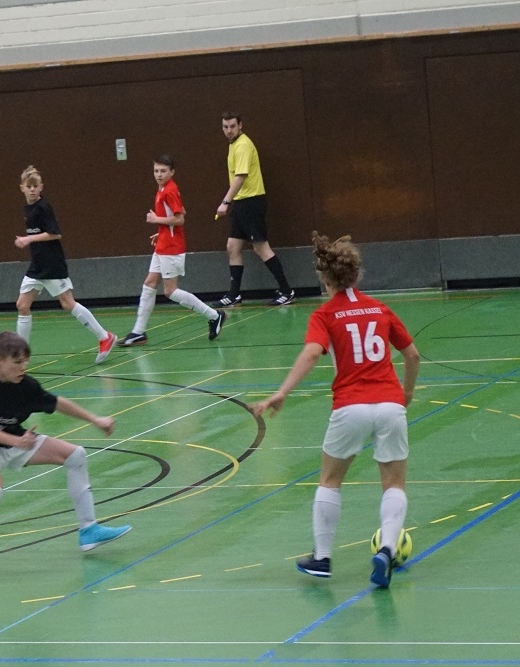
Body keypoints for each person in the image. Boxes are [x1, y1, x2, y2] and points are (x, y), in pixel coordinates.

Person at [250, 232, 420, 588]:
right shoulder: (380, 309)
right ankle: (387, 550)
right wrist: (405, 394)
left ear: (325, 281)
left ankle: (323, 558)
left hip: (350, 406)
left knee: (330, 480)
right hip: (390, 404)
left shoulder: (325, 314)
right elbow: (412, 355)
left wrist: (281, 392)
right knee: (393, 483)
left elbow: (313, 352)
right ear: (356, 275)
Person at [0, 331, 132, 583]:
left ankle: (88, 530)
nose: (23, 367)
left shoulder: (27, 386)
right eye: (17, 362)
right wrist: (17, 442)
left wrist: (95, 419)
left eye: (25, 361)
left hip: (17, 438)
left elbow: (57, 403)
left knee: (76, 455)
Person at [119, 154, 227, 346]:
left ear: (172, 172)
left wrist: (157, 220)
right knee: (150, 283)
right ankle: (138, 332)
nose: (158, 174)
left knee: (170, 291)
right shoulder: (162, 189)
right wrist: (161, 230)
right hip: (164, 243)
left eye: (163, 171)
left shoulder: (170, 190)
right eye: (156, 171)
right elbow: (182, 210)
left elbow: (180, 219)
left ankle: (214, 315)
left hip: (172, 247)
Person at [14, 165, 117, 364]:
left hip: (52, 264)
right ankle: (21, 355)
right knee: (22, 305)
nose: (32, 190)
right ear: (22, 188)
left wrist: (28, 239)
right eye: (29, 186)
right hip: (37, 265)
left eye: (35, 186)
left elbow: (55, 233)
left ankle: (105, 337)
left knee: (68, 303)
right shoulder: (27, 208)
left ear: (41, 187)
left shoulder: (44, 207)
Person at [214, 111, 295, 308]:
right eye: (225, 127)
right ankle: (234, 294)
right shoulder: (233, 145)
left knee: (261, 247)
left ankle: (287, 291)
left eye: (232, 126)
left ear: (240, 125)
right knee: (232, 247)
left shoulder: (243, 145)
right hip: (241, 203)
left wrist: (225, 202)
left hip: (251, 202)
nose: (229, 130)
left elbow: (240, 176)